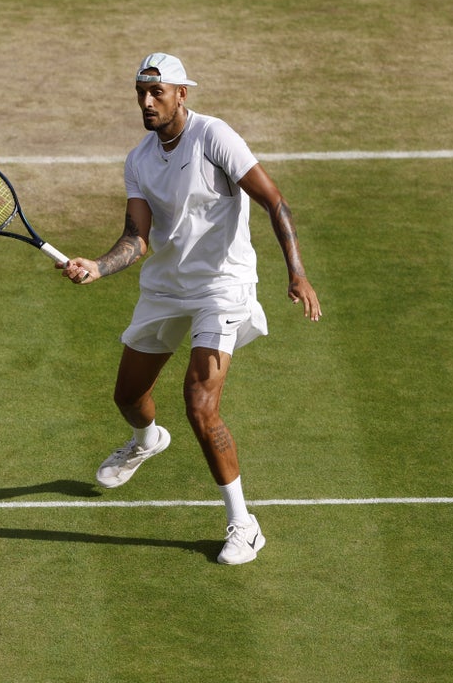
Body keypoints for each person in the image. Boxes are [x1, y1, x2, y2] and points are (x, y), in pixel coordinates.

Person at [59, 53, 322, 564]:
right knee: (127, 395)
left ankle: (244, 525)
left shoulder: (214, 136)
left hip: (223, 286)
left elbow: (273, 199)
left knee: (200, 405)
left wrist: (297, 272)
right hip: (166, 288)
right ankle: (146, 440)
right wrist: (98, 266)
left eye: (156, 92)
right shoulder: (138, 160)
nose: (146, 101)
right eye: (140, 92)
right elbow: (137, 238)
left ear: (182, 94)